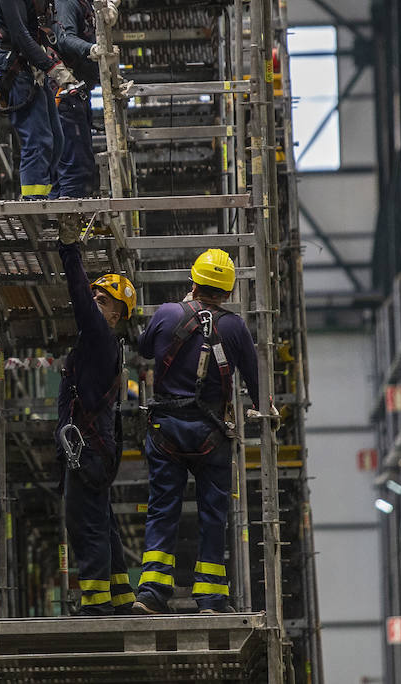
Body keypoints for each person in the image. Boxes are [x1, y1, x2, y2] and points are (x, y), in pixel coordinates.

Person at [132, 249, 272, 615]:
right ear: (226, 292)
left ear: (192, 282)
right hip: (211, 434)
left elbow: (143, 347)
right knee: (214, 514)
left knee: (163, 508)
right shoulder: (235, 327)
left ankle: (151, 592)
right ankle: (210, 598)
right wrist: (266, 408)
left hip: (167, 431)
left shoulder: (166, 314)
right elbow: (258, 385)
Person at [0, 0, 118, 199]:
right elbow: (21, 37)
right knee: (38, 140)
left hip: (34, 65)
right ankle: (34, 204)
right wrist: (55, 70)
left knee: (56, 141)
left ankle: (46, 199)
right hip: (17, 67)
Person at [54, 215, 136, 614]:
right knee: (101, 521)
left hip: (88, 450)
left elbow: (80, 302)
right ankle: (121, 596)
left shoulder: (102, 339)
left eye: (102, 301)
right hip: (92, 449)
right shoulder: (100, 344)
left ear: (117, 316)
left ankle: (96, 605)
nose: (93, 303)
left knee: (85, 525)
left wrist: (70, 250)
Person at [52, 0, 110, 198]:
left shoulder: (84, 0)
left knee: (74, 166)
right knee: (75, 168)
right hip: (66, 96)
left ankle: (63, 229)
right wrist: (93, 50)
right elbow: (64, 40)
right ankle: (66, 235)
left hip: (77, 95)